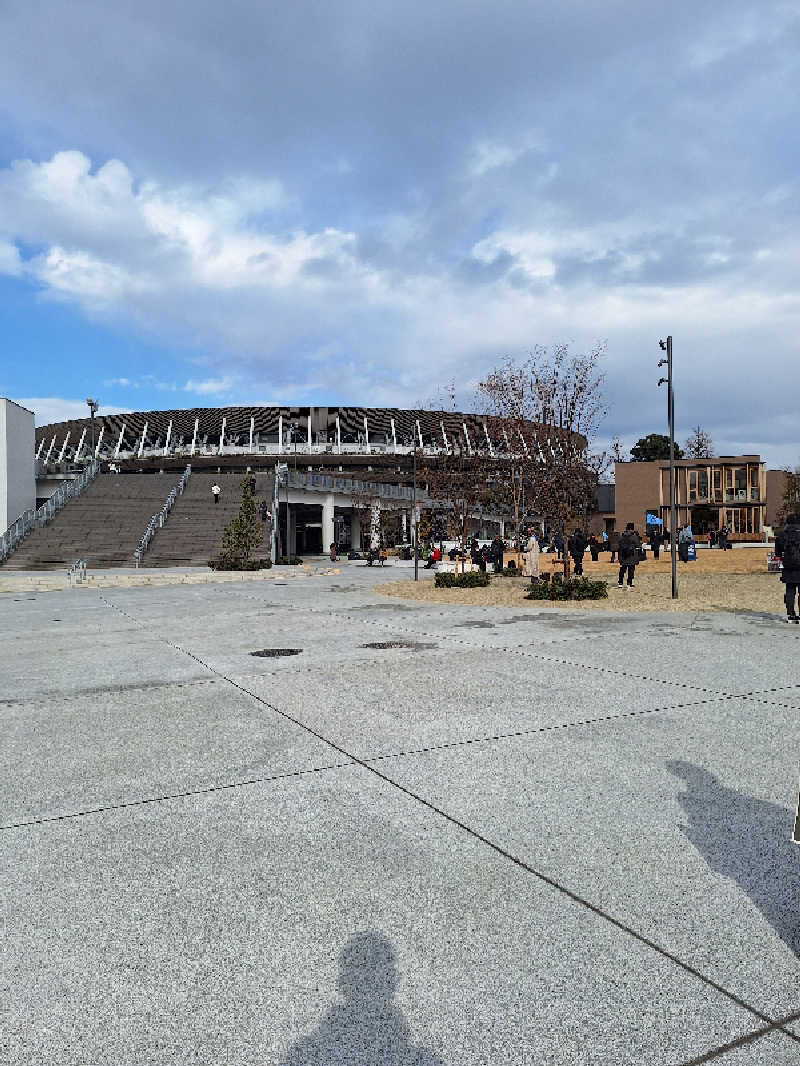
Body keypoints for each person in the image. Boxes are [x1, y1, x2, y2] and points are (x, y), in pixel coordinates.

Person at [775, 513, 800, 623]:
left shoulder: (781, 535)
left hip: (788, 566)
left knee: (790, 591)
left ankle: (790, 615)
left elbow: (778, 553)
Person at [617, 522, 641, 589]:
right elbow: (638, 545)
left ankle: (620, 583)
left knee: (622, 570)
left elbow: (619, 545)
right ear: (632, 529)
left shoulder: (622, 536)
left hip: (623, 555)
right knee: (631, 570)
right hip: (631, 556)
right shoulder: (634, 536)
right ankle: (629, 583)